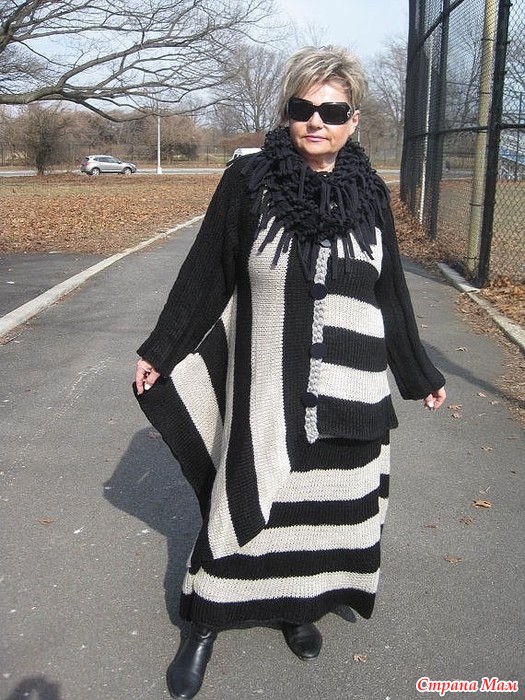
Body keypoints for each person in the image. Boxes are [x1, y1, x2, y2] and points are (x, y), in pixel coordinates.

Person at [134, 45, 446, 699]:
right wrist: (161, 349)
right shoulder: (249, 181)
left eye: (331, 111)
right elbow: (207, 270)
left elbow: (389, 292)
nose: (315, 121)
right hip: (269, 386)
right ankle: (204, 623)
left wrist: (418, 374)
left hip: (353, 391)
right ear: (287, 112)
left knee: (325, 514)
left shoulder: (370, 195)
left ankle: (297, 608)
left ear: (352, 120)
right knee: (243, 504)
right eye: (303, 107)